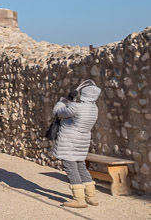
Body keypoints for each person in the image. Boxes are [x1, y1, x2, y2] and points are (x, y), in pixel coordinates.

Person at [51, 79, 102, 208]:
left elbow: (57, 112)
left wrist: (66, 100)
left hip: (69, 141)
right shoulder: (94, 108)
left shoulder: (76, 107)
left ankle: (79, 199)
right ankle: (91, 196)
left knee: (70, 167)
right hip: (82, 142)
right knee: (81, 167)